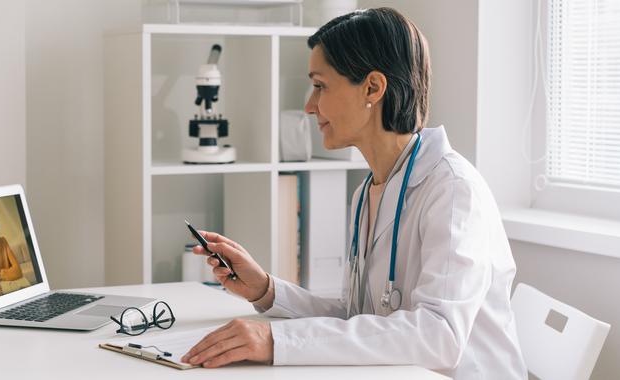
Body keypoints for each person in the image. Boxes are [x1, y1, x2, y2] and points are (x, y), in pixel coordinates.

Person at [181, 7, 528, 379]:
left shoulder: (455, 191)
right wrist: (266, 291)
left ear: (373, 88)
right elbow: (358, 319)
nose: (309, 106)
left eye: (320, 85)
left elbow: (438, 336)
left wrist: (276, 341)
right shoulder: (367, 191)